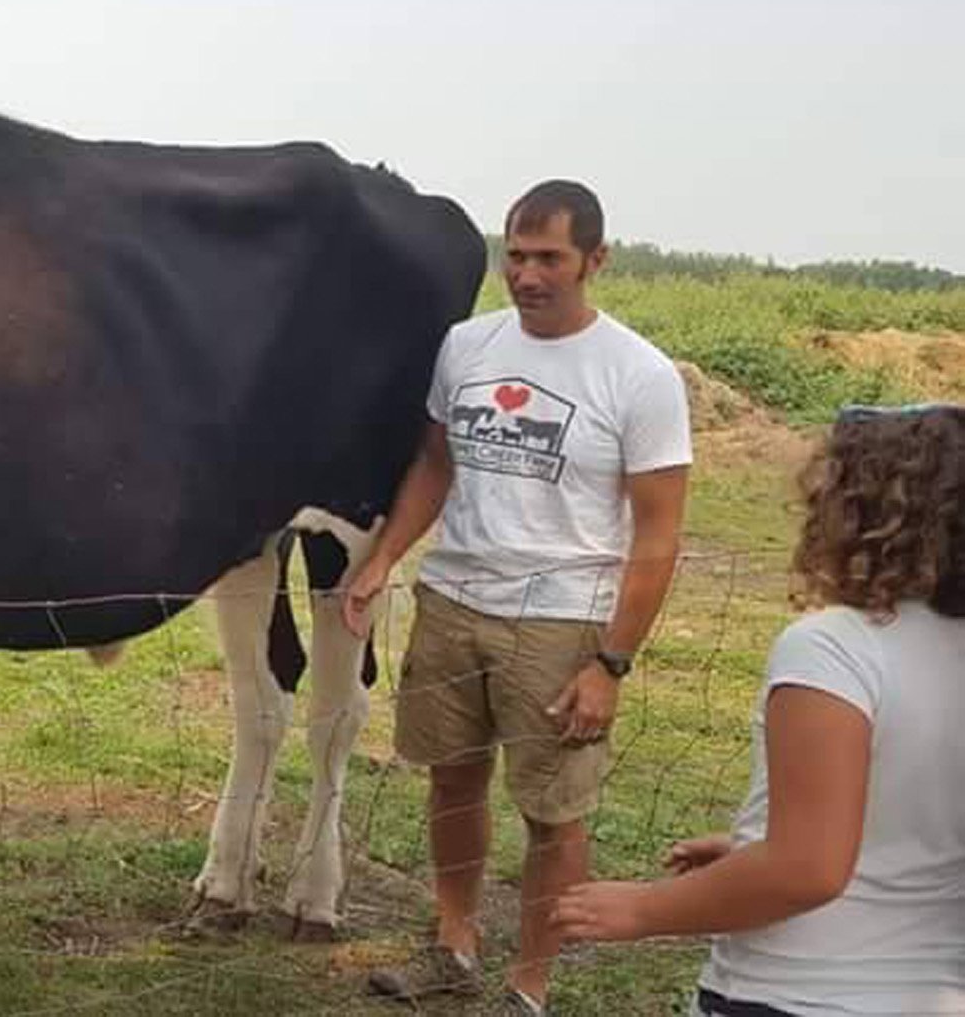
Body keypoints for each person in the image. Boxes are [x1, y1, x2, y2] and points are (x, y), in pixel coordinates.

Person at [341, 179, 693, 1015]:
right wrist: (386, 556)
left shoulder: (639, 376)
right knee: (452, 781)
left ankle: (529, 985)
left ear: (596, 260)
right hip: (454, 599)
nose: (528, 276)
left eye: (550, 259)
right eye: (517, 256)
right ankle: (453, 944)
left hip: (561, 619)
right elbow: (436, 462)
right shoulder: (466, 346)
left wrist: (611, 662)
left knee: (551, 811)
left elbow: (658, 535)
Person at [552, 403, 965, 1016]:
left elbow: (807, 869)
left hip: (798, 992)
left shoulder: (836, 648)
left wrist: (643, 909)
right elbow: (919, 826)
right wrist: (752, 845)